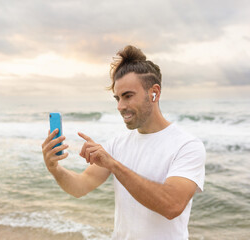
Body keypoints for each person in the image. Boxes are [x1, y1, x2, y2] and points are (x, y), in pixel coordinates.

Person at [41, 45, 206, 240]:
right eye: (117, 98)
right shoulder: (117, 144)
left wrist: (113, 165)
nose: (120, 106)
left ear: (154, 93)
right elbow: (80, 186)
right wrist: (54, 169)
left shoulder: (187, 146)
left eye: (128, 96)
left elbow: (172, 205)